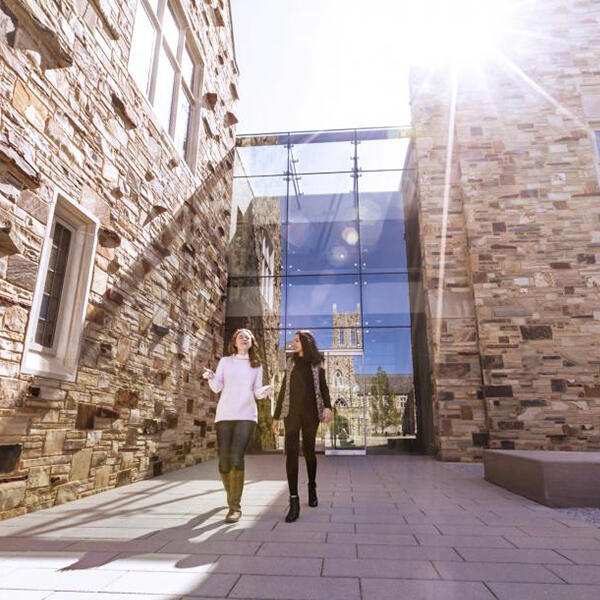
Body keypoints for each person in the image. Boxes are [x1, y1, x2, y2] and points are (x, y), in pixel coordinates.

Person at [203, 329, 273, 523]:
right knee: (224, 461)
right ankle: (231, 496)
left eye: (248, 336)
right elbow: (217, 387)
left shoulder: (256, 366)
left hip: (246, 415)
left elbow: (257, 392)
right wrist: (211, 377)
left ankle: (235, 506)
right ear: (234, 341)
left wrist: (265, 390)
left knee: (236, 456)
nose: (244, 338)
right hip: (225, 415)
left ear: (252, 343)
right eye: (240, 336)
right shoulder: (225, 361)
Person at [272, 330, 332, 523]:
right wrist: (276, 416)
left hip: (311, 414)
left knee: (309, 452)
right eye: (293, 340)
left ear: (306, 342)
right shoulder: (291, 363)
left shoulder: (316, 364)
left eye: (297, 341)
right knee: (290, 452)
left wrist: (328, 407)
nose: (293, 343)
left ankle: (312, 487)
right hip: (291, 414)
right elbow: (283, 389)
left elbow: (323, 387)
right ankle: (294, 500)